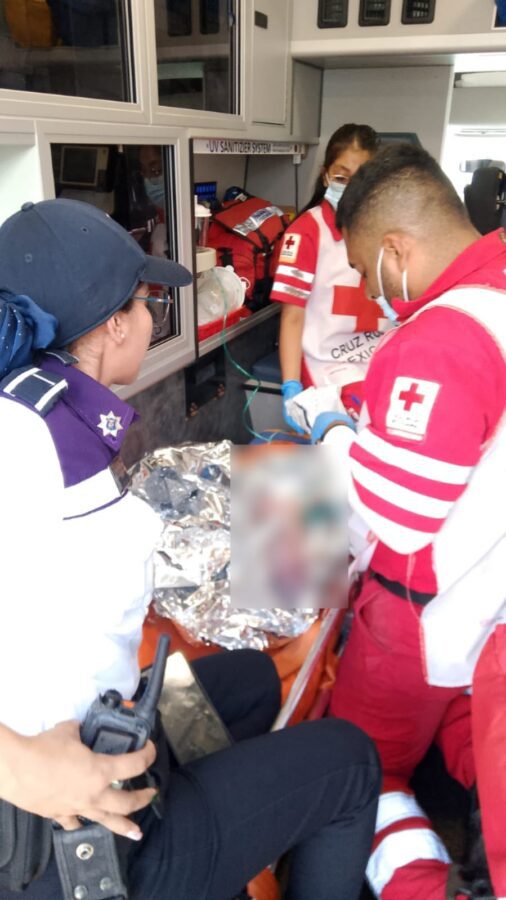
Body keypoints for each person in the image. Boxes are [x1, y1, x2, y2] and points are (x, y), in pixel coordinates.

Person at [0, 198, 381, 900]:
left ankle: (227, 847)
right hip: (75, 831)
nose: (155, 317)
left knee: (252, 680)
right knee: (352, 762)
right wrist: (17, 766)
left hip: (105, 723)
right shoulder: (21, 442)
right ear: (115, 325)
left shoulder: (56, 416)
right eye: (147, 302)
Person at [310, 143, 506, 900]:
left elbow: (398, 517)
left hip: (423, 612)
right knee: (472, 741)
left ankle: (419, 885)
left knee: (362, 765)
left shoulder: (444, 336)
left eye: (365, 269)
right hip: (486, 599)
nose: (368, 288)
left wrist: (333, 433)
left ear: (396, 248)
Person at [270, 124, 390, 433]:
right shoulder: (306, 233)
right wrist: (291, 386)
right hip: (326, 365)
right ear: (325, 176)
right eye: (341, 177)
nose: (350, 188)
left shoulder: (388, 229)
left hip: (378, 360)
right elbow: (292, 316)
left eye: (360, 178)